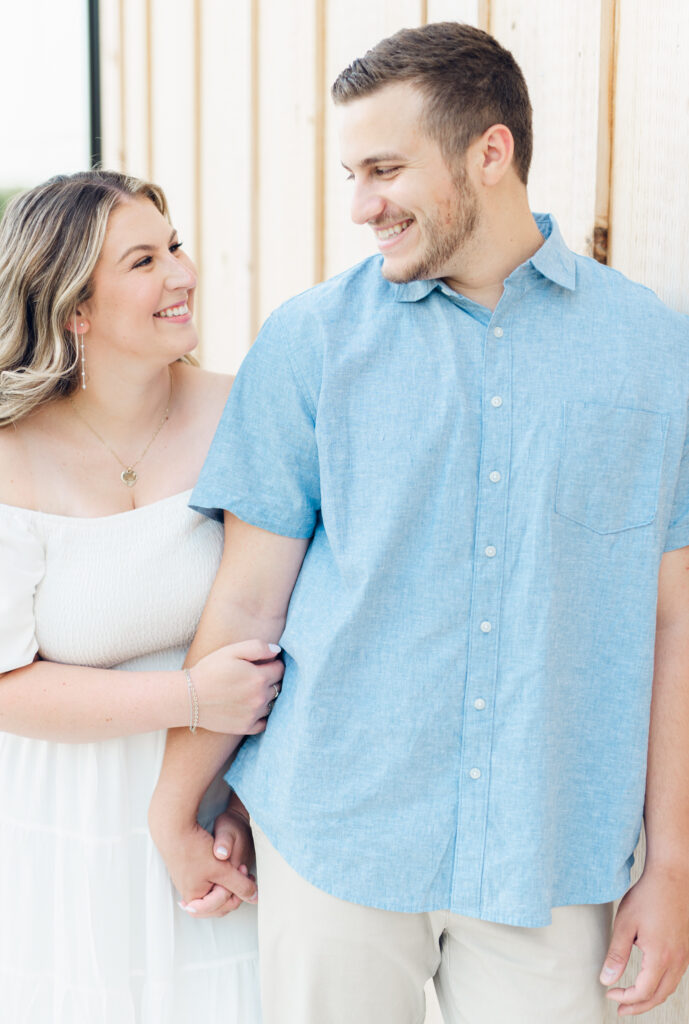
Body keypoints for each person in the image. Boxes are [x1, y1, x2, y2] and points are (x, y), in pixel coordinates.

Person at [147, 22, 689, 1024]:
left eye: (384, 169)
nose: (361, 205)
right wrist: (176, 800)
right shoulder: (312, 341)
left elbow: (672, 625)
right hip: (340, 830)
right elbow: (249, 597)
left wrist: (673, 865)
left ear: (491, 152)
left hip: (553, 848)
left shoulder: (654, 351)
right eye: (352, 173)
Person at [0, 170, 281, 1023]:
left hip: (213, 788)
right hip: (59, 816)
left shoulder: (242, 413)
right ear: (74, 307)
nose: (181, 274)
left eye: (177, 247)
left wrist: (232, 793)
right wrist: (191, 696)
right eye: (144, 260)